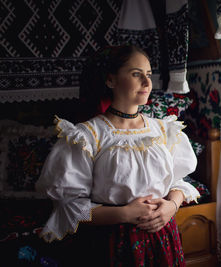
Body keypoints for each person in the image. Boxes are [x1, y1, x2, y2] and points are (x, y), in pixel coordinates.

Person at [35, 45, 199, 266]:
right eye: (136, 74)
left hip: (162, 238)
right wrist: (125, 214)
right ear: (111, 80)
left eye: (149, 75)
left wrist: (171, 206)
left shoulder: (163, 130)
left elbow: (178, 181)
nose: (147, 83)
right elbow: (70, 207)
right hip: (111, 243)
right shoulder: (87, 136)